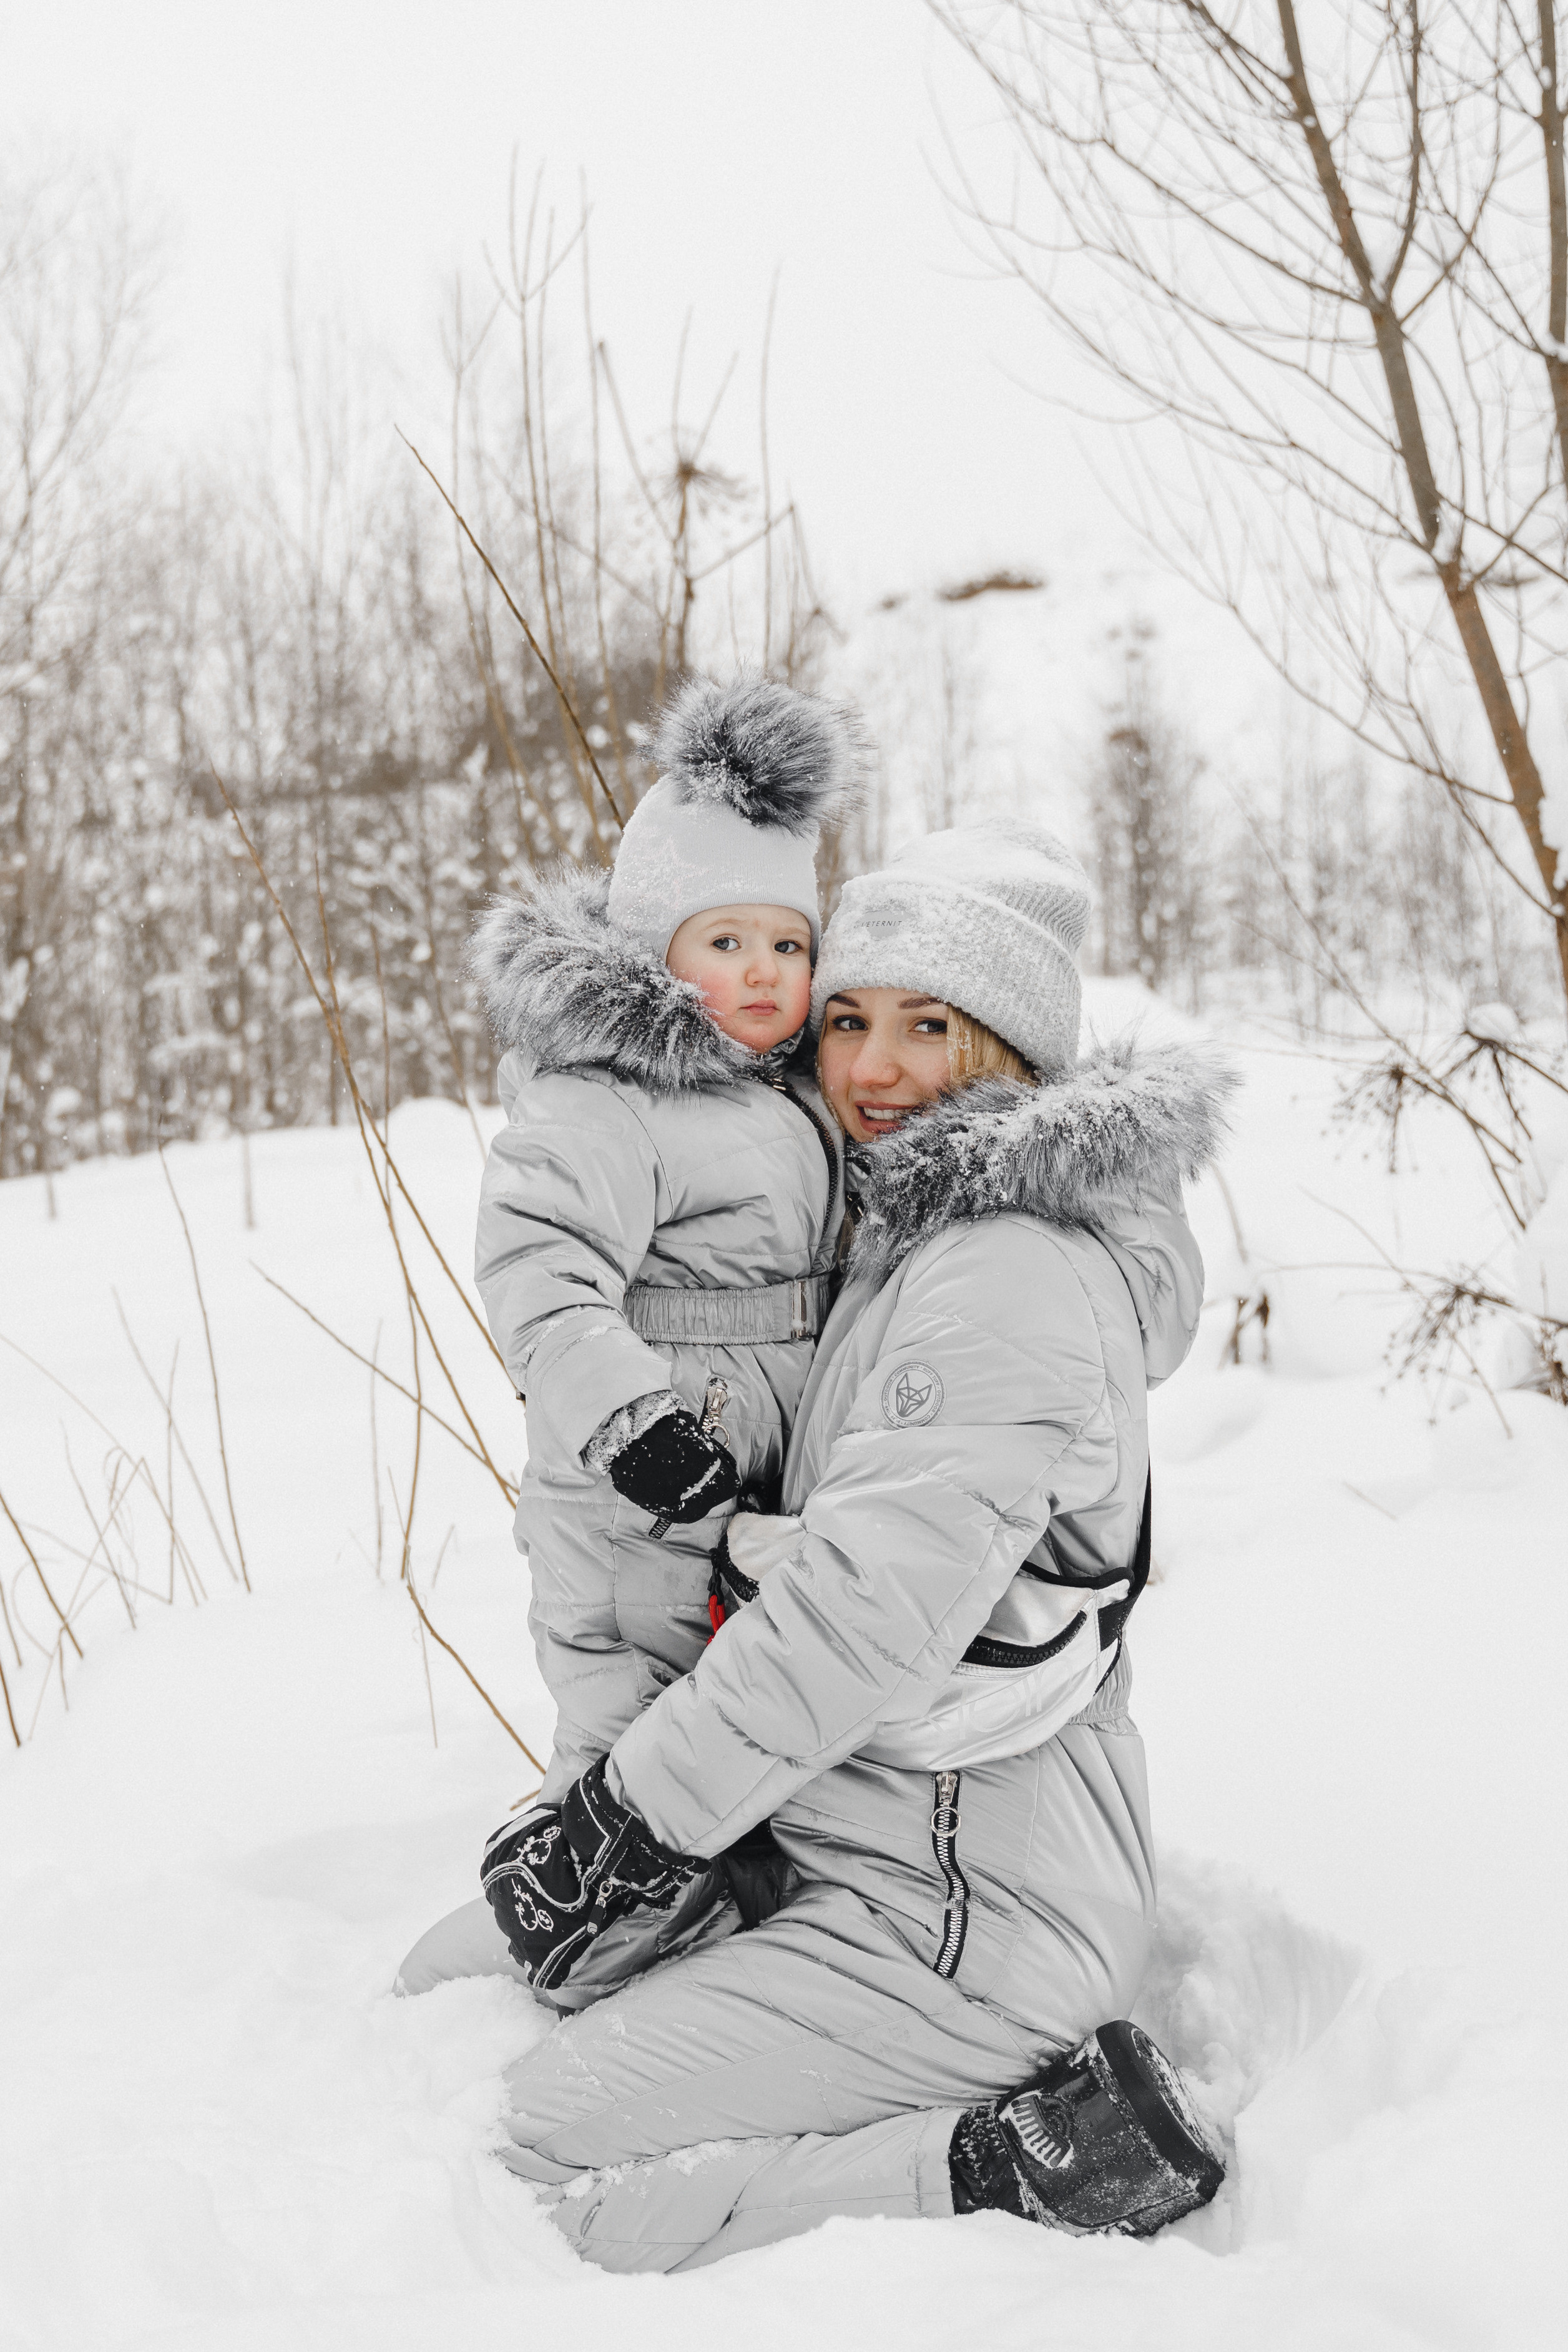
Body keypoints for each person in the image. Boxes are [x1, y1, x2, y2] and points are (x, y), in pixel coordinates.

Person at [472, 820, 1237, 2268]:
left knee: (508, 2150)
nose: (872, 1069)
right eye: (848, 1022)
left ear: (1009, 1054)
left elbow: (854, 1622)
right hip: (860, 1847)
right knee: (440, 1991)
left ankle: (1002, 2169)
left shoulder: (1001, 1274)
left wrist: (625, 1829)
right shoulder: (904, 1241)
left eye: (928, 1026)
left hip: (957, 1919)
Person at [399, 675, 856, 2006]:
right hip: (626, 1503)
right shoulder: (608, 1098)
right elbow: (539, 1272)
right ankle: (562, 1944)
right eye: (725, 944)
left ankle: (703, 1925)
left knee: (721, 1733)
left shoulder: (796, 1100)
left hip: (736, 1499)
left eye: (787, 945)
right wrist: (631, 1425)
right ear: (655, 951)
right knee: (622, 1733)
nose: (762, 973)